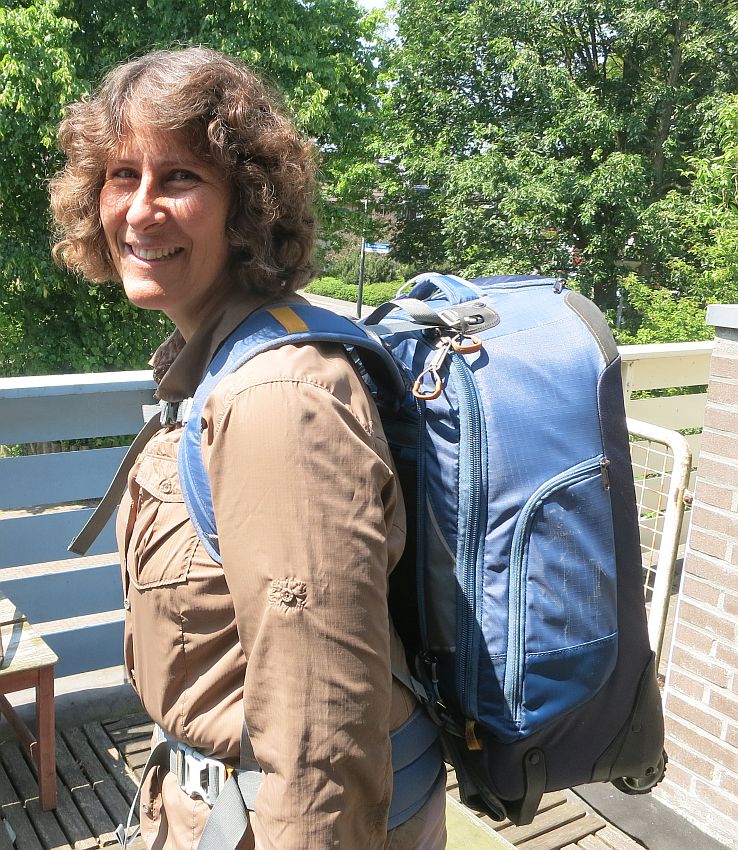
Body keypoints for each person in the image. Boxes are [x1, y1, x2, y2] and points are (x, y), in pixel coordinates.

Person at [49, 47, 446, 850]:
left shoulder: (274, 399)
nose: (140, 209)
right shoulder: (215, 364)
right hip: (210, 804)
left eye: (182, 179)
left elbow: (321, 735)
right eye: (122, 176)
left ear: (247, 209)